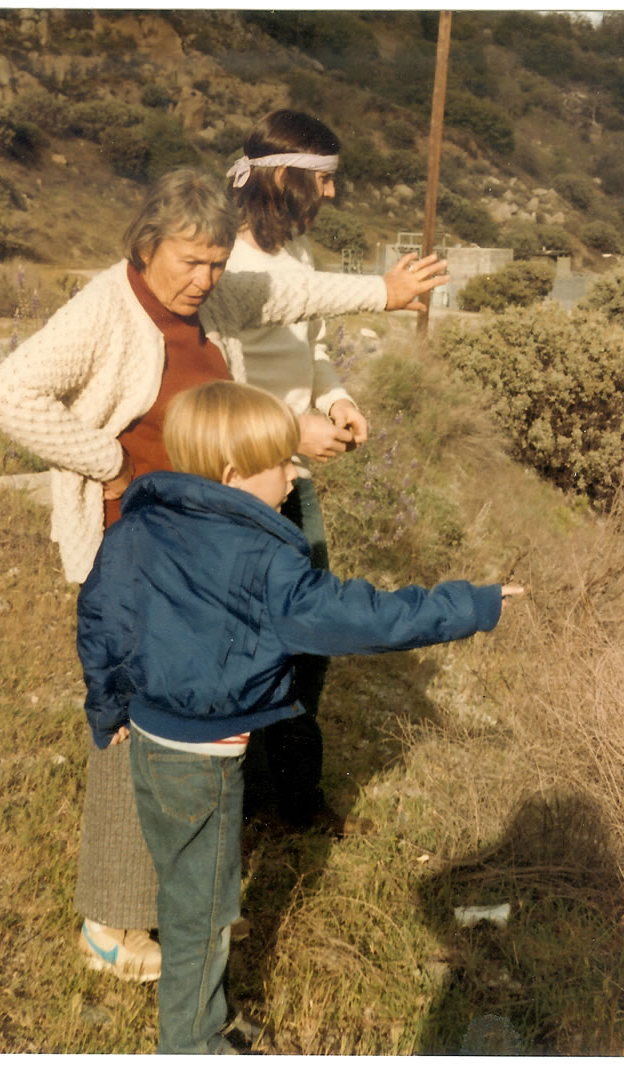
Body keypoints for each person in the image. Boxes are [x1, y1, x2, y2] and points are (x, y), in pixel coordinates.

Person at [0, 168, 449, 984]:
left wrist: (385, 290)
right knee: (131, 721)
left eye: (216, 264)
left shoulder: (217, 299)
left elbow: (289, 294)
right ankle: (110, 924)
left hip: (194, 547)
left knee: (184, 718)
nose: (203, 280)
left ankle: (167, 879)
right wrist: (113, 458)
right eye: (188, 262)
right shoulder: (105, 309)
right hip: (136, 549)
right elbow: (6, 395)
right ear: (146, 245)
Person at [76, 379, 524, 1055]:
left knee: (185, 892)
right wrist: (473, 604)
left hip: (149, 743)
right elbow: (367, 617)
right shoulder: (268, 561)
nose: (294, 476)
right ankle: (192, 1042)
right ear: (231, 475)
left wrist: (108, 703)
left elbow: (102, 616)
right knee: (204, 914)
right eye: (282, 462)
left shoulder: (142, 526)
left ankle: (202, 1015)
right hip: (204, 763)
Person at [225, 109, 373, 832]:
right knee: (249, 637)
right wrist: (289, 432)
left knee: (308, 630)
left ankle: (296, 794)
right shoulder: (225, 265)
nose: (333, 195)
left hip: (295, 476)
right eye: (325, 179)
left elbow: (311, 351)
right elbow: (216, 390)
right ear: (284, 176)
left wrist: (337, 397)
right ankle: (246, 791)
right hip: (241, 476)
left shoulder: (297, 258)